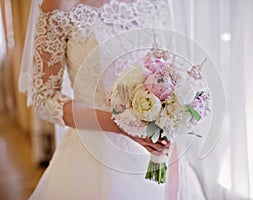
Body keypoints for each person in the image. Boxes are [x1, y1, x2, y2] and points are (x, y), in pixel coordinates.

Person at [19, 0, 178, 199]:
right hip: (95, 155)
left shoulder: (157, 3)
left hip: (157, 148)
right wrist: (123, 126)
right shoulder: (59, 6)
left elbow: (172, 67)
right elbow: (45, 98)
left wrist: (171, 115)